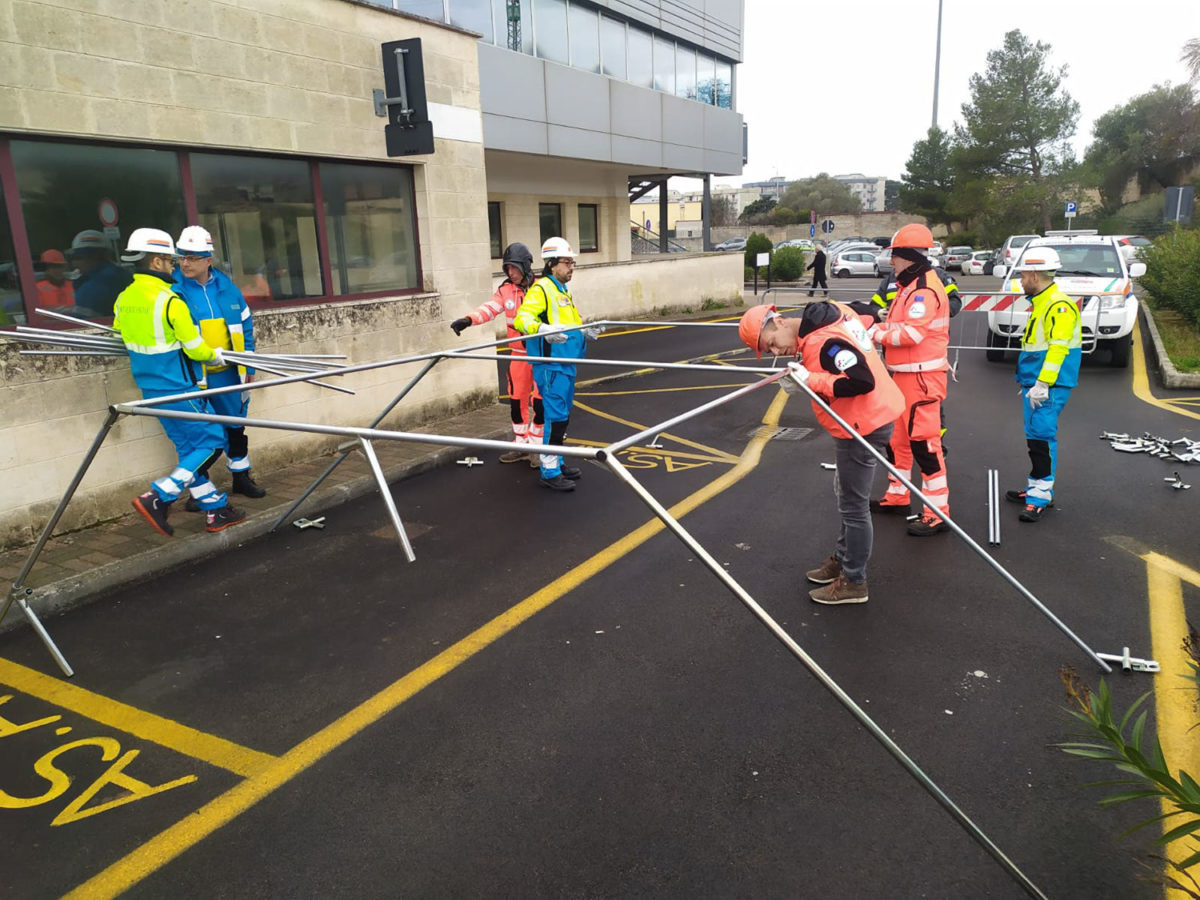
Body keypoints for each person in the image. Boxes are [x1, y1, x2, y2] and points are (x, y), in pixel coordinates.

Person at [738, 303, 904, 605]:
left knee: (853, 506)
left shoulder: (822, 342)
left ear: (778, 321)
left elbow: (861, 381)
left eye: (772, 342)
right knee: (846, 496)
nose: (778, 351)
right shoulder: (831, 313)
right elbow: (863, 310)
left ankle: (854, 582)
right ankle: (843, 560)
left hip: (863, 424)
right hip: (866, 419)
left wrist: (810, 380)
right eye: (770, 350)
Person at [112, 227, 246, 537]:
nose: (175, 267)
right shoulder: (170, 301)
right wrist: (217, 357)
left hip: (150, 390)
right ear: (157, 261)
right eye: (172, 261)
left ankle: (214, 509)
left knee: (189, 448)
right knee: (212, 439)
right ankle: (160, 495)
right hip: (180, 387)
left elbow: (121, 331)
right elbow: (196, 348)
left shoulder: (123, 299)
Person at [869, 224, 952, 537]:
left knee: (925, 448)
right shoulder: (910, 285)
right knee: (898, 442)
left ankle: (937, 512)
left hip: (922, 379)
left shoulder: (923, 289)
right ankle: (898, 494)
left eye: (895, 256)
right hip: (905, 377)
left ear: (909, 256)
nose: (892, 262)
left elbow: (912, 333)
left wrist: (874, 334)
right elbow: (899, 324)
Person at [173, 225, 266, 502]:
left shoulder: (228, 290)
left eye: (192, 257)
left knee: (235, 425)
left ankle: (241, 477)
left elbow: (245, 330)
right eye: (182, 257)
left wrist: (248, 367)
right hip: (194, 375)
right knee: (200, 432)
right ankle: (199, 490)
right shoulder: (175, 291)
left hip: (228, 373)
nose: (185, 263)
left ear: (208, 260)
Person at [513, 237, 599, 492]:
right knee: (554, 416)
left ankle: (557, 461)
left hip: (566, 362)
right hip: (551, 365)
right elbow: (522, 319)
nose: (571, 267)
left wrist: (585, 331)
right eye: (567, 262)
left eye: (572, 263)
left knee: (562, 415)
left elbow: (571, 324)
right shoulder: (542, 289)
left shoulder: (561, 290)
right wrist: (541, 329)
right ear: (551, 264)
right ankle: (549, 470)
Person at [451, 242, 544, 466]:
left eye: (514, 268)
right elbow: (490, 308)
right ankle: (521, 445)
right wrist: (468, 320)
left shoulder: (542, 287)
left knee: (541, 403)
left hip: (542, 355)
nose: (511, 273)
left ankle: (538, 447)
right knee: (516, 401)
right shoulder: (505, 290)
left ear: (526, 266)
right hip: (518, 355)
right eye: (507, 269)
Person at [1005, 247, 1080, 522]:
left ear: (1034, 275)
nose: (1021, 281)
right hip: (1037, 384)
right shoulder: (1043, 303)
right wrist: (1029, 382)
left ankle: (1040, 497)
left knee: (1041, 439)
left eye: (1023, 275)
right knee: (1035, 436)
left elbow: (1058, 349)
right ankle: (1036, 487)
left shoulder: (1057, 306)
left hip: (1049, 386)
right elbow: (1036, 347)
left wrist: (1043, 383)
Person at [69, 229, 132, 318]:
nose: (74, 264)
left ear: (94, 257)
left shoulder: (91, 289)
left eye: (78, 258)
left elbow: (79, 325)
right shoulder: (127, 276)